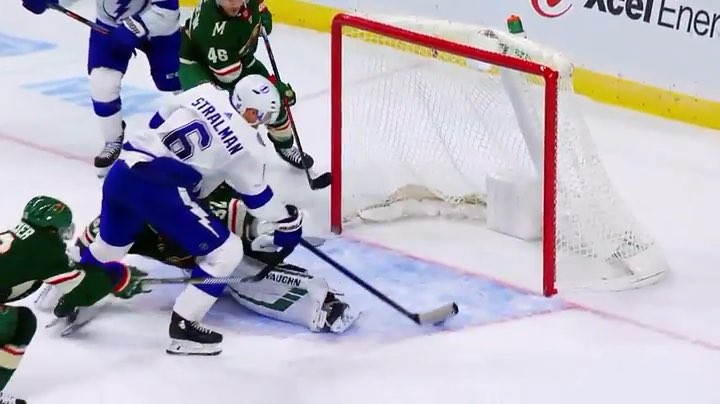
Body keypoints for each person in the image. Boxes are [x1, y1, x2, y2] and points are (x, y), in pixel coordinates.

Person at [78, 74, 304, 356]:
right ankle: (184, 326)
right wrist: (287, 221)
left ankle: (70, 293)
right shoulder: (249, 147)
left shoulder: (206, 92)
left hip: (125, 168)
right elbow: (258, 200)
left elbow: (159, 119)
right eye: (263, 115)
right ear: (251, 110)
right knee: (227, 252)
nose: (263, 121)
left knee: (111, 246)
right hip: (161, 187)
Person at [0, 196, 147, 404]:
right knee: (20, 325)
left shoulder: (16, 235)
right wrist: (116, 279)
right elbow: (82, 290)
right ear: (53, 229)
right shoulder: (45, 250)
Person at [21, 0, 182, 176]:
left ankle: (195, 134)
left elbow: (167, 10)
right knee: (102, 83)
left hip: (159, 33)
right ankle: (112, 139)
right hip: (109, 27)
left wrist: (132, 28)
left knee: (178, 86)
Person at [179, 0, 316, 171]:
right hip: (196, 65)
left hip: (236, 58)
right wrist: (273, 86)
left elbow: (259, 6)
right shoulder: (215, 31)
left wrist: (261, 17)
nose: (234, 4)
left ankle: (284, 146)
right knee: (218, 112)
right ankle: (212, 162)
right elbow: (231, 79)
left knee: (274, 102)